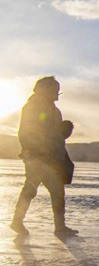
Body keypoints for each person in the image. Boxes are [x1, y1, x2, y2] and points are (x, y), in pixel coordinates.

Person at [10, 76, 78, 239]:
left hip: (52, 157)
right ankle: (20, 221)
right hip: (38, 157)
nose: (57, 94)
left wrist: (64, 131)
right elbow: (26, 132)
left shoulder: (54, 110)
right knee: (36, 189)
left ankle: (56, 226)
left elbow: (54, 136)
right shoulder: (33, 106)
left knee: (50, 191)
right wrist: (35, 150)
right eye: (55, 90)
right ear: (44, 89)